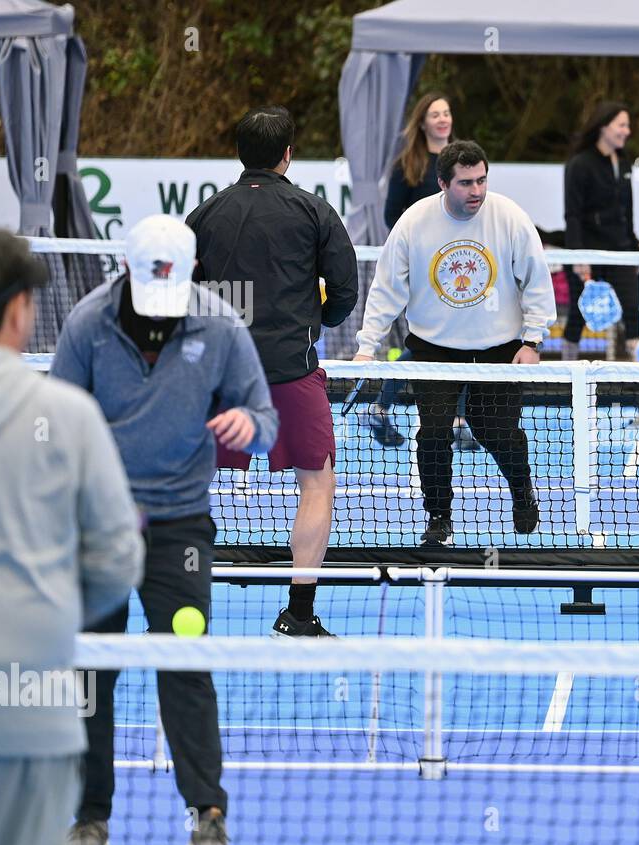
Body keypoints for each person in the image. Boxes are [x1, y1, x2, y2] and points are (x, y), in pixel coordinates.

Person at [51, 214, 279, 845]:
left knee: (185, 656)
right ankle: (90, 814)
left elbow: (265, 422)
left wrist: (247, 423)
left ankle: (207, 815)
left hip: (180, 525)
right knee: (92, 671)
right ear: (124, 269)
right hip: (98, 523)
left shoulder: (222, 327)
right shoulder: (87, 326)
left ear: (193, 274)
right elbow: (58, 420)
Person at [0, 232, 143, 845]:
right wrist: (50, 606)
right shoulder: (70, 416)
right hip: (33, 703)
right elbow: (117, 561)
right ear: (22, 309)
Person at [186, 105, 358, 637]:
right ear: (288, 155)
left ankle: (176, 609)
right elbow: (345, 293)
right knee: (317, 484)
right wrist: (313, 320)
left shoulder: (205, 215)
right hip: (292, 371)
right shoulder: (315, 213)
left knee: (187, 485)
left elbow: (179, 291)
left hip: (221, 374)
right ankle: (299, 614)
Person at [355, 140, 556, 547]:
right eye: (466, 183)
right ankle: (439, 518)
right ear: (443, 183)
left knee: (495, 432)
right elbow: (386, 290)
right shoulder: (414, 223)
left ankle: (522, 492)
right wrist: (366, 345)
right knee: (432, 433)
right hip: (433, 349)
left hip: (500, 348)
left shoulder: (510, 218)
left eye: (482, 180)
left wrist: (532, 340)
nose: (477, 191)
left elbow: (536, 280)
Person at [362, 90, 477, 452]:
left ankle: (387, 407)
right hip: (422, 272)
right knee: (429, 343)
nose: (443, 119)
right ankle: (387, 406)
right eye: (435, 114)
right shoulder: (406, 165)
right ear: (423, 122)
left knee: (459, 340)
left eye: (447, 113)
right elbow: (392, 218)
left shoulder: (465, 161)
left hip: (459, 269)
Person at [562, 102, 639, 362]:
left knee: (632, 312)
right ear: (603, 126)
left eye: (627, 125)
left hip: (622, 252)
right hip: (589, 253)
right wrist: (578, 257)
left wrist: (635, 250)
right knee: (577, 314)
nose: (627, 131)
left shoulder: (626, 162)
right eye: (621, 125)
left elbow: (627, 211)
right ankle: (565, 375)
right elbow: (572, 214)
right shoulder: (579, 164)